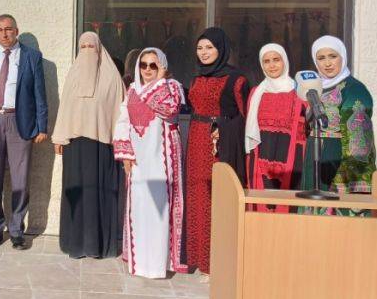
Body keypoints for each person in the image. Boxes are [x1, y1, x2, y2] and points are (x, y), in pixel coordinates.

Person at [112, 47, 186, 278]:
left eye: (153, 65)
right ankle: (141, 263)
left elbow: (169, 109)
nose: (147, 69)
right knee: (139, 206)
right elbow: (123, 121)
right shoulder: (133, 89)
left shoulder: (172, 87)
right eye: (143, 64)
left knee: (159, 206)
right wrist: (125, 154)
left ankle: (156, 265)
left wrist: (161, 80)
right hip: (139, 158)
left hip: (161, 155)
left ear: (162, 66)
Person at [0, 14, 48, 250]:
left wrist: (42, 126)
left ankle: (16, 230)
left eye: (8, 29)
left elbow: (39, 93)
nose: (4, 34)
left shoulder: (31, 56)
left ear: (16, 30)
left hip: (20, 122)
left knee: (21, 180)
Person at [53, 32, 125, 259]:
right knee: (77, 194)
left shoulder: (112, 79)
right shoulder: (73, 76)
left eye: (90, 47)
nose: (87, 52)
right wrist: (59, 137)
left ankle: (98, 245)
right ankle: (74, 244)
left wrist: (122, 143)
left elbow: (120, 114)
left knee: (99, 194)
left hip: (102, 147)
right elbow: (64, 108)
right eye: (82, 47)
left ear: (99, 50)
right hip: (74, 146)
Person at [185, 27, 249, 275]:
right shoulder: (196, 79)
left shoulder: (237, 80)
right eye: (199, 48)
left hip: (220, 144)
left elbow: (243, 117)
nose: (204, 52)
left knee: (218, 198)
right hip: (196, 142)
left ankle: (219, 262)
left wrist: (223, 129)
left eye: (209, 47)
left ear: (221, 49)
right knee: (198, 196)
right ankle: (200, 258)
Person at [302, 35, 376, 194]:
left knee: (331, 205)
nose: (327, 63)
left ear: (342, 56)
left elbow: (358, 139)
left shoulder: (354, 89)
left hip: (336, 158)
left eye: (333, 56)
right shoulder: (315, 88)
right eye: (321, 58)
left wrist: (346, 178)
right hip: (313, 157)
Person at [244, 44, 307, 207]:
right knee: (260, 205)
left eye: (276, 60)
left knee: (287, 206)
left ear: (284, 61)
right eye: (266, 61)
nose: (272, 65)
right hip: (261, 154)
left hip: (290, 157)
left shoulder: (300, 91)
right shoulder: (256, 92)